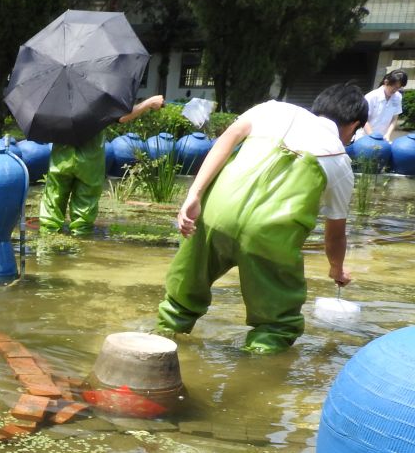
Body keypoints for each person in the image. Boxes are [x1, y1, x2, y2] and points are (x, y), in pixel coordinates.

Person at [156, 83, 366, 353]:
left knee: (181, 297)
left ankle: (161, 341)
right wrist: (336, 269)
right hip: (269, 236)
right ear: (354, 125)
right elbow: (334, 235)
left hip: (215, 211)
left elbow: (225, 142)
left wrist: (194, 194)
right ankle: (254, 372)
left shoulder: (272, 109)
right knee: (276, 325)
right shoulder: (340, 160)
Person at [38, 94, 165, 236]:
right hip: (90, 159)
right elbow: (122, 117)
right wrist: (149, 103)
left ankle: (47, 243)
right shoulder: (99, 92)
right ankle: (81, 244)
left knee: (52, 207)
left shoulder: (57, 93)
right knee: (84, 214)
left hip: (61, 158)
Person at [362, 69, 407, 142]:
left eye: (398, 88)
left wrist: (388, 135)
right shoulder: (371, 97)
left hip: (383, 139)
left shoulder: (398, 97)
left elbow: (394, 118)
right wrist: (373, 137)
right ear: (386, 82)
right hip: (365, 137)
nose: (395, 90)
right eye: (394, 87)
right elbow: (363, 120)